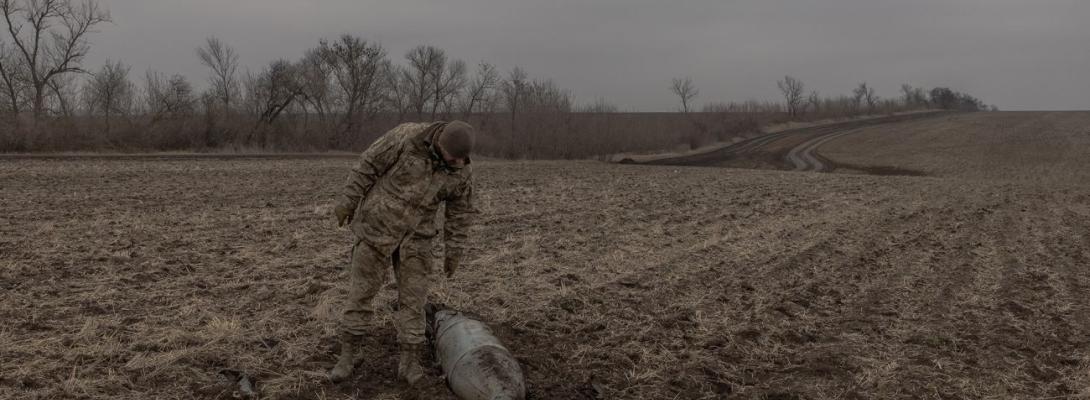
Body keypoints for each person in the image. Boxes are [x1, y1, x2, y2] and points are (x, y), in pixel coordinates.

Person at [329, 121, 477, 385]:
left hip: (417, 240)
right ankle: (349, 355)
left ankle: (409, 363)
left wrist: (454, 250)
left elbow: (460, 213)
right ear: (439, 142)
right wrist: (347, 200)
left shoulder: (461, 170)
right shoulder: (406, 137)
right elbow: (368, 164)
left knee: (414, 302)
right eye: (450, 156)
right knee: (360, 294)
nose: (454, 162)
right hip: (377, 227)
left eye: (459, 159)